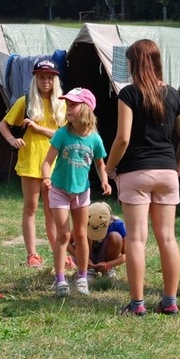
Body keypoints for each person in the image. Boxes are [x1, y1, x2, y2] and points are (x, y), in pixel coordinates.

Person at [104, 39, 180, 316]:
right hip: (167, 172)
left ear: (133, 63)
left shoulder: (129, 94)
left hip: (136, 172)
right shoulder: (173, 95)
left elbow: (123, 138)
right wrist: (175, 171)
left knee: (137, 240)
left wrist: (109, 167)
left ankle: (137, 304)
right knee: (167, 238)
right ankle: (169, 301)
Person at [41, 88, 111, 296]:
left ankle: (82, 277)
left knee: (81, 235)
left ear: (86, 109)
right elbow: (47, 162)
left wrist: (105, 181)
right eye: (67, 104)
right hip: (59, 190)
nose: (68, 108)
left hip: (82, 192)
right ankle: (60, 279)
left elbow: (100, 164)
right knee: (63, 235)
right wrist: (46, 178)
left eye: (73, 104)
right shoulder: (62, 134)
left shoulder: (95, 139)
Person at [0, 60, 68, 268]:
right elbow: (3, 124)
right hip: (29, 161)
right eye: (41, 77)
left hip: (54, 164)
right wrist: (12, 140)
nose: (46, 81)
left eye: (50, 78)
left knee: (52, 210)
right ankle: (32, 254)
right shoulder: (25, 101)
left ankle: (60, 253)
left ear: (55, 80)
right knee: (30, 208)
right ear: (35, 79)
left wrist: (39, 129)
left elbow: (65, 135)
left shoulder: (63, 103)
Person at [68, 201, 126, 279]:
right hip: (84, 256)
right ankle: (87, 270)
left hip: (105, 256)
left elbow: (127, 255)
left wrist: (109, 264)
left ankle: (108, 270)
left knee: (116, 237)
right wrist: (80, 256)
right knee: (83, 234)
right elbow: (66, 243)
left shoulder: (117, 224)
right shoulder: (83, 222)